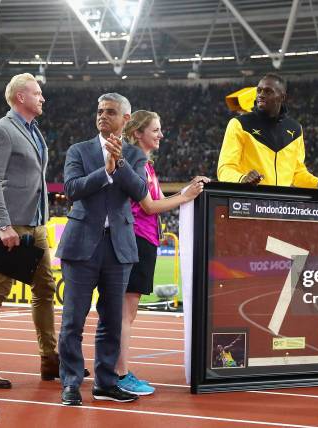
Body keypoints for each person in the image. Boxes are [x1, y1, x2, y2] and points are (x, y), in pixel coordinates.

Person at [56, 94, 205, 406]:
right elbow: (72, 189)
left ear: (125, 119)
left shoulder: (136, 156)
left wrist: (119, 163)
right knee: (73, 321)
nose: (102, 116)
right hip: (81, 245)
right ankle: (70, 383)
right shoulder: (79, 151)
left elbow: (140, 191)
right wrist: (106, 170)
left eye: (110, 112)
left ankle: (106, 383)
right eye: (99, 111)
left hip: (119, 248)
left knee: (112, 320)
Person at [0, 73, 60, 389]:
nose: (42, 98)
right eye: (37, 93)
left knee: (45, 289)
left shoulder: (35, 132)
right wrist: (3, 225)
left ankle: (50, 359)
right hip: (12, 226)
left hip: (35, 224)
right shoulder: (3, 131)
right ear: (21, 96)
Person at [115, 110, 209, 396]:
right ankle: (119, 375)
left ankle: (115, 370)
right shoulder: (136, 159)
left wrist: (185, 191)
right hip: (136, 240)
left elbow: (154, 201)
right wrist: (185, 196)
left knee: (126, 313)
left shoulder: (146, 164)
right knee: (125, 314)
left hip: (143, 240)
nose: (161, 134)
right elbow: (149, 207)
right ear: (138, 133)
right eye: (155, 130)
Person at [217, 72, 318, 192]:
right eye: (259, 90)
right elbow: (225, 169)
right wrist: (242, 179)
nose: (261, 95)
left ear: (282, 97)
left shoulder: (295, 129)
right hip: (247, 202)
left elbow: (297, 173)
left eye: (268, 91)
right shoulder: (239, 124)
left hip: (280, 206)